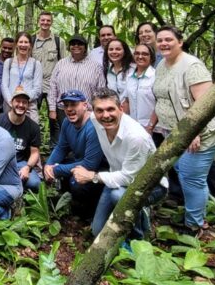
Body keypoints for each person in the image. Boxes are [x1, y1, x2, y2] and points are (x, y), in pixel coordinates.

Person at [151, 26, 215, 240]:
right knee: (187, 173)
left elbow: (206, 104)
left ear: (180, 41)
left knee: (191, 177)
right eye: (160, 40)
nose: (163, 44)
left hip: (201, 133)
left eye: (169, 39)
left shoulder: (192, 66)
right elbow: (162, 98)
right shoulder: (162, 64)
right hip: (176, 131)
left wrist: (193, 132)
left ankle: (194, 225)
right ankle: (197, 210)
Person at [72, 89, 167, 239]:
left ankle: (139, 234)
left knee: (118, 196)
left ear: (121, 109)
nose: (106, 115)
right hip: (117, 179)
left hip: (148, 185)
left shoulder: (136, 137)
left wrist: (93, 176)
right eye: (100, 110)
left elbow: (130, 178)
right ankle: (127, 216)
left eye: (111, 109)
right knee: (97, 231)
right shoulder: (94, 120)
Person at [44, 90, 105, 219]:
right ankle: (71, 204)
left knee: (76, 183)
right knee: (54, 165)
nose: (69, 109)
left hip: (98, 170)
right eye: (66, 105)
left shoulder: (93, 127)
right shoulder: (67, 122)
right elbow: (61, 147)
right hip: (79, 161)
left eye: (73, 105)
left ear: (85, 105)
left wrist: (56, 170)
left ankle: (89, 213)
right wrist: (48, 165)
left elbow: (90, 165)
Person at [47, 35, 103, 134]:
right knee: (63, 138)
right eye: (73, 44)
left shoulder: (96, 67)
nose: (76, 46)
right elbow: (53, 87)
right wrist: (52, 109)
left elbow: (100, 90)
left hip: (87, 111)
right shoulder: (61, 64)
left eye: (80, 44)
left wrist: (98, 110)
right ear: (69, 47)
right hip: (63, 110)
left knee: (84, 138)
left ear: (85, 47)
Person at [0, 90, 42, 191]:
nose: (21, 105)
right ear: (11, 102)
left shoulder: (33, 127)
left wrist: (28, 167)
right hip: (0, 161)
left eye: (24, 102)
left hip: (20, 163)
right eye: (18, 101)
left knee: (35, 183)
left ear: (28, 105)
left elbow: (35, 153)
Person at [31, 12, 63, 143]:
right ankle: (33, 147)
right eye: (42, 20)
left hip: (52, 85)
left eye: (48, 20)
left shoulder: (58, 41)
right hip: (35, 84)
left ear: (51, 22)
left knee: (54, 119)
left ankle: (55, 148)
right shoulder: (32, 40)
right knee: (32, 117)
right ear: (38, 21)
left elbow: (63, 63)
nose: (45, 23)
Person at [2, 32, 43, 122]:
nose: (23, 45)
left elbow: (37, 88)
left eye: (26, 42)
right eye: (20, 42)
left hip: (29, 106)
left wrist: (24, 102)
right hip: (10, 105)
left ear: (30, 45)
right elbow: (4, 85)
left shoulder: (36, 64)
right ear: (16, 44)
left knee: (29, 133)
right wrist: (12, 102)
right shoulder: (8, 62)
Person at [122, 43, 157, 133]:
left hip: (152, 129)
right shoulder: (129, 76)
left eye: (144, 54)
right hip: (133, 127)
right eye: (137, 53)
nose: (140, 56)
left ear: (151, 57)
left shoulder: (156, 77)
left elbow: (159, 104)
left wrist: (150, 127)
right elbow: (127, 101)